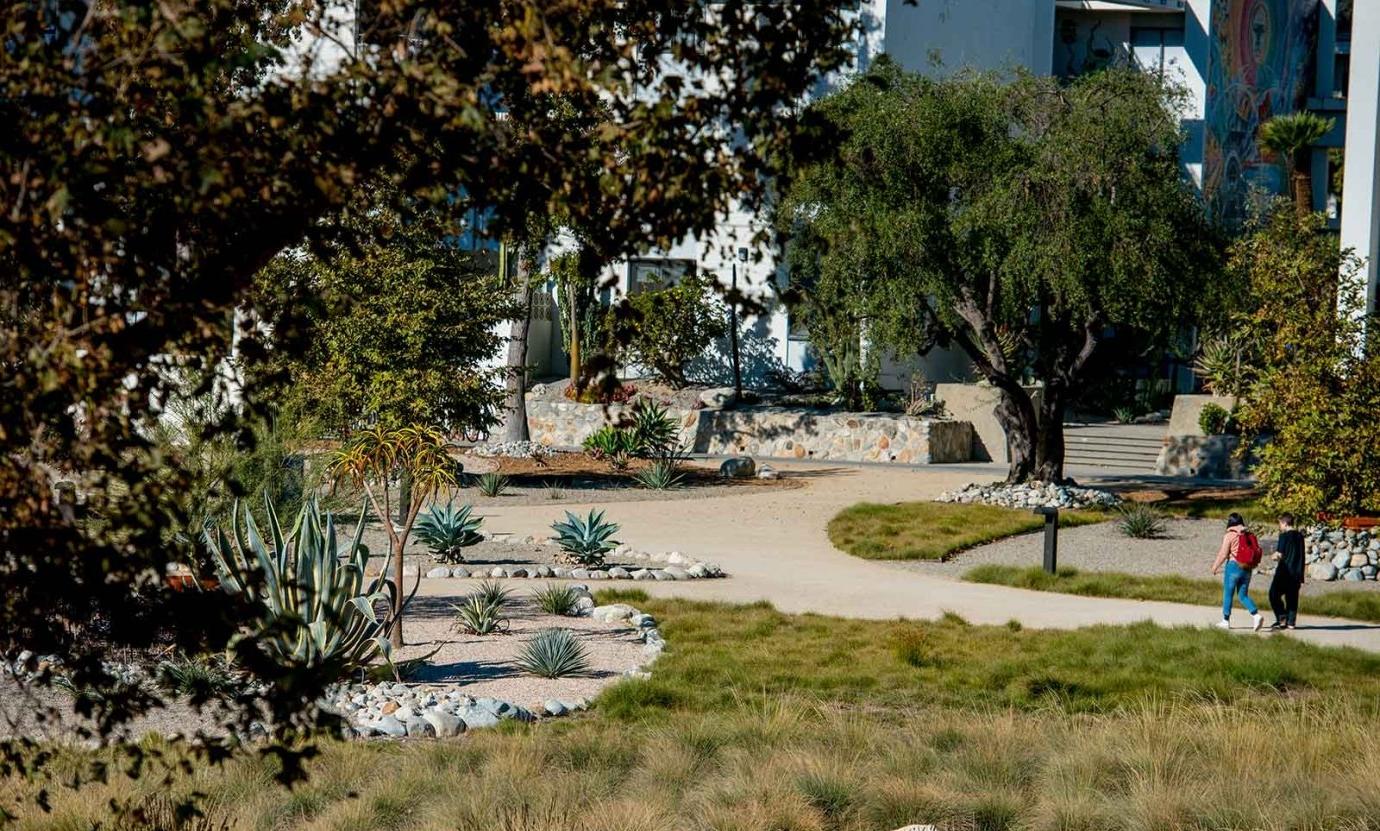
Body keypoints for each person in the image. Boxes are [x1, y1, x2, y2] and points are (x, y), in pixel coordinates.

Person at [1212, 512, 1264, 631]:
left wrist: (1215, 566)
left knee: (1228, 594)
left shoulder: (1230, 535)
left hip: (1233, 566)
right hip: (1247, 568)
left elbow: (1223, 554)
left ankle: (1225, 621)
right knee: (1243, 595)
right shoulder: (1249, 534)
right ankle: (1256, 615)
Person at [1268, 513, 1306, 630]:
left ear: (1284, 523)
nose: (1279, 526)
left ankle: (1282, 617)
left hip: (1285, 571)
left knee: (1274, 594)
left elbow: (1279, 554)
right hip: (1297, 571)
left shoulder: (1284, 536)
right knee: (1292, 597)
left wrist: (1273, 556)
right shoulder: (1300, 536)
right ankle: (1291, 622)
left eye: (1280, 523)